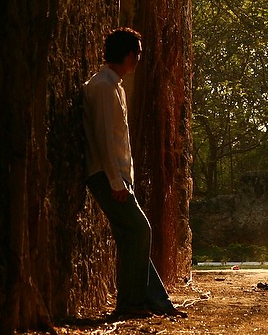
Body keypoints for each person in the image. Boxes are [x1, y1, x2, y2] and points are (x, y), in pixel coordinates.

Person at [83, 27, 186, 319]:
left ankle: (154, 300)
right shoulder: (103, 87)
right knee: (140, 230)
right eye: (138, 54)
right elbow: (104, 138)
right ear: (130, 55)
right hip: (105, 175)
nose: (139, 60)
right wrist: (116, 182)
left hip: (115, 175)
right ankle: (130, 303)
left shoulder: (113, 86)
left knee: (132, 237)